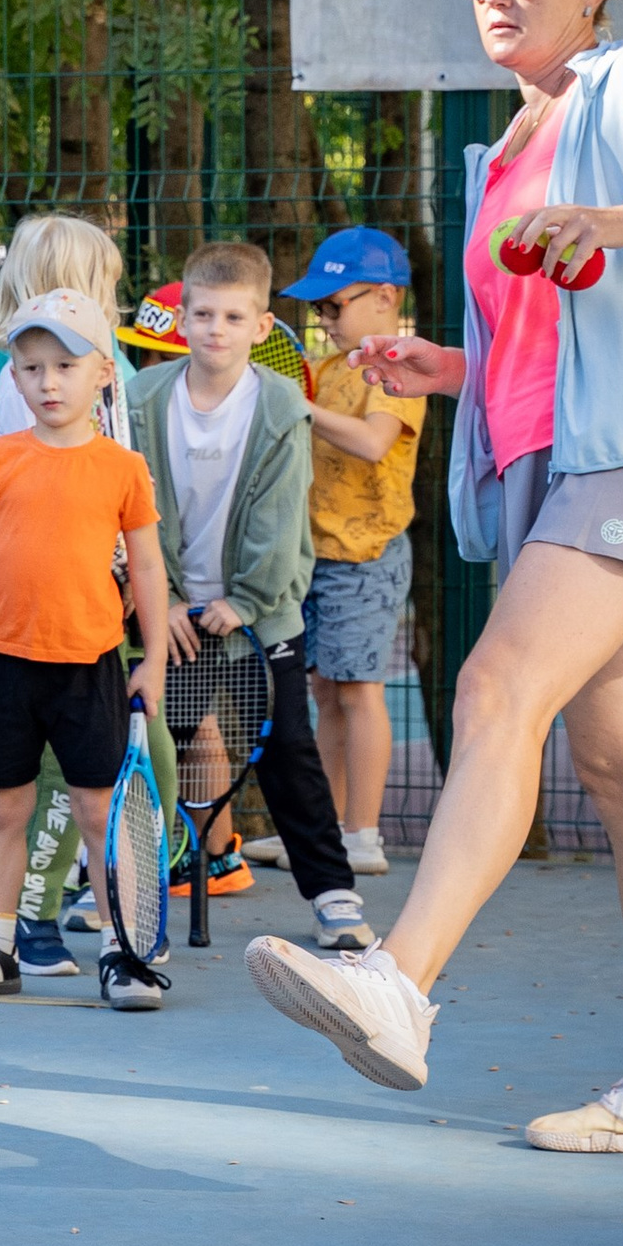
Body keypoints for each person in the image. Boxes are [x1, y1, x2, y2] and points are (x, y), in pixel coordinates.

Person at [245, 0, 623, 1147]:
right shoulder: (502, 149)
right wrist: (446, 368)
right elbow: (544, 338)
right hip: (555, 461)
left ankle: (397, 982)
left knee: (495, 689)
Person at [0, 292, 172, 1012]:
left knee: (98, 813)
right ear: (15, 376)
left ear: (104, 373)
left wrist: (154, 658)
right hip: (5, 664)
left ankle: (122, 954)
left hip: (91, 666)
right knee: (6, 810)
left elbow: (147, 565)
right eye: (32, 367)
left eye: (66, 365)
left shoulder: (123, 467)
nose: (48, 382)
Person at [134, 242, 364, 946]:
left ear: (262, 327)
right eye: (203, 314)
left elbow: (281, 515)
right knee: (149, 750)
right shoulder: (142, 400)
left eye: (234, 317)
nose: (216, 329)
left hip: (260, 617)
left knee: (289, 750)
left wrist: (247, 601)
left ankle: (332, 895)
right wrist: (166, 601)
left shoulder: (281, 405)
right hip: (173, 615)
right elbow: (132, 510)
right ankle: (116, 886)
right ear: (182, 319)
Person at [281, 224, 425, 877]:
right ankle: (324, 834)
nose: (325, 319)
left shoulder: (400, 367)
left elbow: (372, 442)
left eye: (335, 305)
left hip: (366, 556)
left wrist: (300, 408)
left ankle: (363, 835)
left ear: (386, 297)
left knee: (360, 690)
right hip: (317, 556)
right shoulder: (328, 369)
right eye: (320, 308)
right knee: (327, 690)